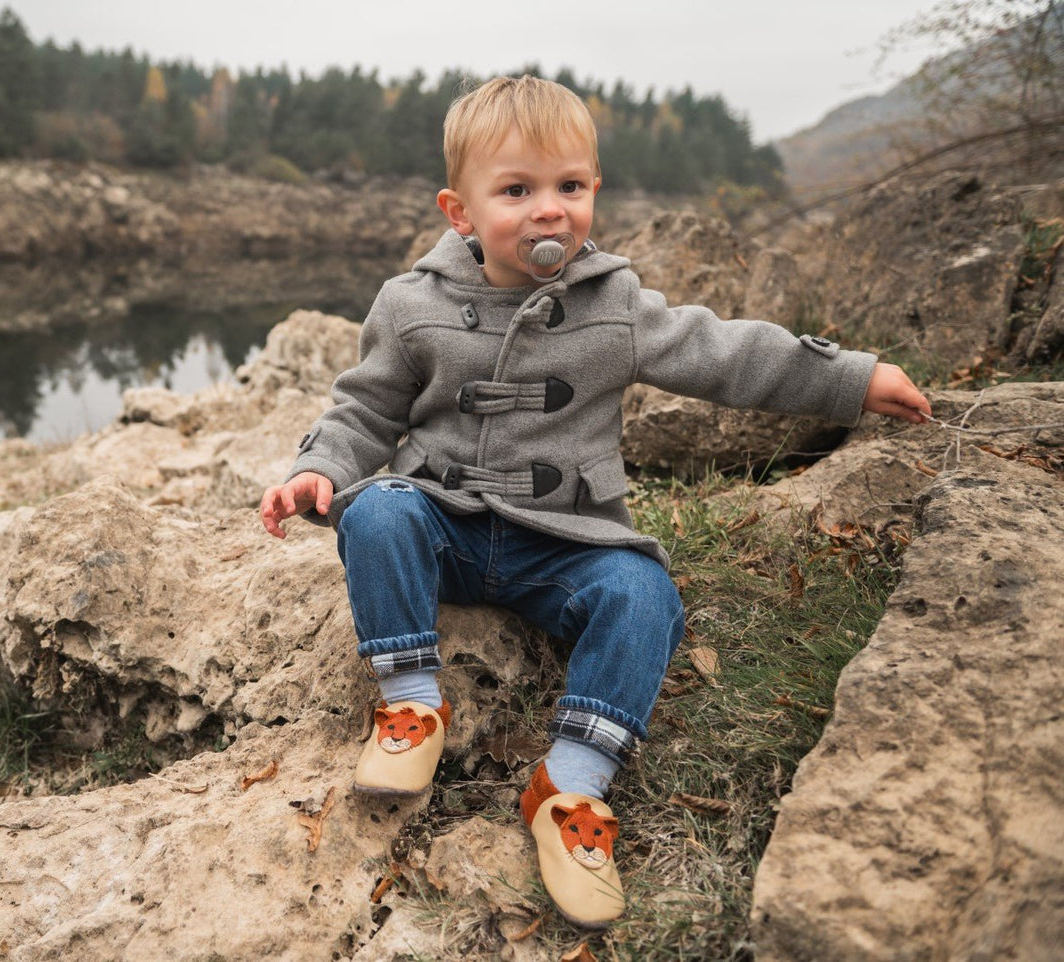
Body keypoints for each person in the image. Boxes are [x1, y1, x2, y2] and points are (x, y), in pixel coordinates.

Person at [257, 75, 930, 928]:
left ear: (593, 192)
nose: (549, 210)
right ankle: (412, 700)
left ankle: (570, 785)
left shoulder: (612, 305)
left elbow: (722, 352)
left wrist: (849, 378)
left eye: (569, 186)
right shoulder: (410, 304)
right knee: (377, 509)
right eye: (516, 190)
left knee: (642, 593)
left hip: (562, 543)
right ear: (459, 212)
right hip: (442, 527)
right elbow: (364, 410)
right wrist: (319, 468)